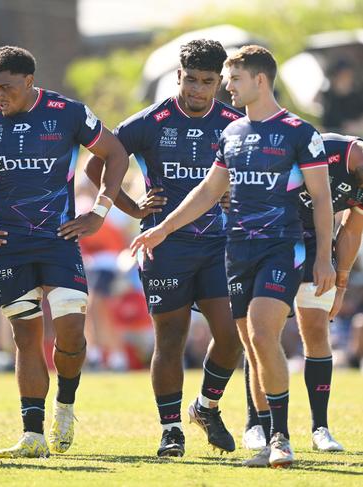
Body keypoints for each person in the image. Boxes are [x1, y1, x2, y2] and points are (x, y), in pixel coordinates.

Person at [130, 45, 335, 468]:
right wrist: (161, 228)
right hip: (236, 251)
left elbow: (321, 198)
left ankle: (280, 438)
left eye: (232, 79)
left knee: (261, 334)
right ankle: (263, 435)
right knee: (250, 344)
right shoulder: (232, 133)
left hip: (281, 247)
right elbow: (207, 191)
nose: (226, 87)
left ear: (259, 80)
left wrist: (325, 258)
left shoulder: (300, 133)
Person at [0, 46, 129, 458]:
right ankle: (33, 433)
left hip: (58, 240)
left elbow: (115, 154)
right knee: (27, 337)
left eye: (5, 87)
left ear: (28, 81)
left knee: (72, 334)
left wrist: (99, 212)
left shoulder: (67, 112)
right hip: (9, 246)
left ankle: (66, 403)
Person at [86, 39, 244, 456]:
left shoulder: (235, 121)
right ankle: (170, 429)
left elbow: (255, 172)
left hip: (219, 245)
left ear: (219, 83)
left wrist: (236, 195)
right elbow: (96, 164)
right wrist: (130, 206)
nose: (196, 89)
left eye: (207, 82)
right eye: (190, 79)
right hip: (164, 246)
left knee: (232, 336)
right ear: (178, 76)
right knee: (170, 338)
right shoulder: (148, 122)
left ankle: (206, 406)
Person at [242, 133, 363, 453]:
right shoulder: (323, 147)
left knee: (315, 328)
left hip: (315, 245)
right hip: (272, 237)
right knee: (263, 331)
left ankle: (320, 427)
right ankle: (256, 422)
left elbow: (352, 227)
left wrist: (340, 284)